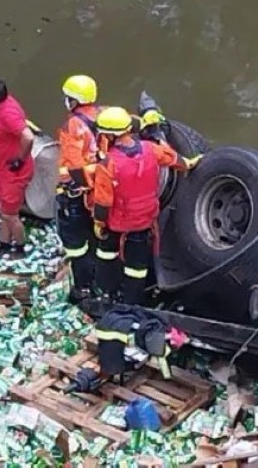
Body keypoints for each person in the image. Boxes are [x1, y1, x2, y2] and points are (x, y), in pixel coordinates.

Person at [91, 107, 199, 306]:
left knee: (106, 254)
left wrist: (99, 222)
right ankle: (134, 302)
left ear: (109, 135)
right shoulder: (150, 149)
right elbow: (174, 159)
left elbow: (103, 201)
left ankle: (107, 293)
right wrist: (189, 163)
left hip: (118, 222)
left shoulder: (108, 164)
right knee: (137, 267)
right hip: (146, 219)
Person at [57, 74, 101, 302]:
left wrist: (81, 187)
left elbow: (74, 165)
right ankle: (100, 279)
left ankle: (83, 287)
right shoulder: (103, 115)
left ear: (74, 100)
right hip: (100, 189)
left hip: (76, 193)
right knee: (97, 236)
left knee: (76, 244)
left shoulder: (72, 126)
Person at [0, 78, 35, 259]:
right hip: (2, 171)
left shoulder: (7, 114)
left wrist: (19, 160)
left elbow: (27, 137)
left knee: (10, 214)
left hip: (12, 174)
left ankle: (20, 248)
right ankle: (4, 244)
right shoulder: (3, 104)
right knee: (4, 211)